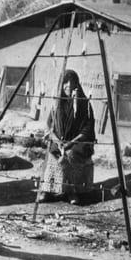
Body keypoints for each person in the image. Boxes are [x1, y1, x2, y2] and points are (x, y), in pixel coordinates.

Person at [37, 70, 96, 205]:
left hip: (77, 142)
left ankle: (71, 191)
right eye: (65, 82)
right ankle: (48, 190)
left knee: (70, 154)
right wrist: (58, 142)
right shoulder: (56, 103)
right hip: (59, 141)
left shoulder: (84, 104)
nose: (68, 85)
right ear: (61, 84)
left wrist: (71, 143)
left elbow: (87, 129)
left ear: (77, 84)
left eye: (72, 82)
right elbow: (50, 125)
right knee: (53, 153)